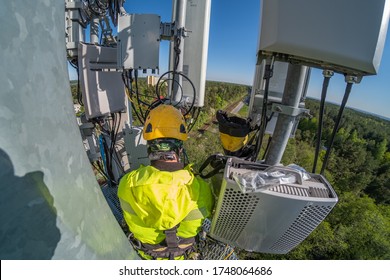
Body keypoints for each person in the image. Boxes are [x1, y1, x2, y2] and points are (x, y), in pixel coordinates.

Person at [117, 104, 214, 260]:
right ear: (180, 150)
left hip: (146, 256)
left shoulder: (127, 184)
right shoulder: (200, 188)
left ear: (149, 149)